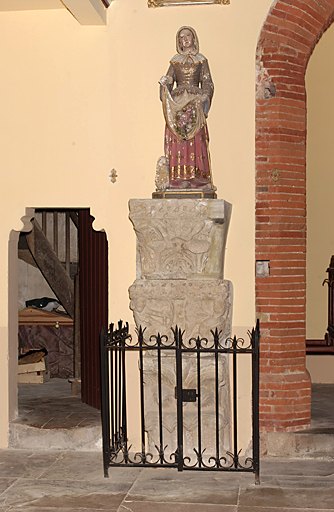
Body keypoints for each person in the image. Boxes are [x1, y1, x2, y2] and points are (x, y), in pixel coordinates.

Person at [159, 26, 215, 190]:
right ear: (179, 42)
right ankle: (178, 177)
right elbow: (169, 79)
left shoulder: (201, 60)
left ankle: (197, 177)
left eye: (188, 36)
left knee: (196, 139)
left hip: (195, 103)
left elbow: (207, 82)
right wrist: (165, 83)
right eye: (181, 37)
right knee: (178, 139)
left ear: (194, 38)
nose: (185, 39)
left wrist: (205, 95)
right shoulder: (175, 60)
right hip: (178, 104)